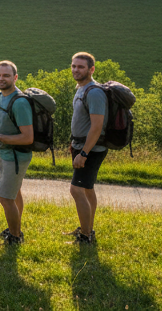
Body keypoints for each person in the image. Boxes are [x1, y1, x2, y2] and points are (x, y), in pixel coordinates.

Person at [0, 60, 34, 246]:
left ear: (15, 77)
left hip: (16, 157)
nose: (0, 78)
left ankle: (15, 237)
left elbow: (28, 137)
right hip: (5, 154)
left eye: (5, 75)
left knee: (5, 197)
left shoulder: (20, 102)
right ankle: (15, 229)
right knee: (14, 193)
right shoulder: (1, 95)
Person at [68, 51, 107, 245]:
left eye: (80, 66)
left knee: (77, 190)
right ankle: (87, 228)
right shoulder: (81, 88)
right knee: (87, 189)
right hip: (81, 146)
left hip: (91, 149)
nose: (76, 69)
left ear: (91, 69)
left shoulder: (95, 92)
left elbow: (97, 126)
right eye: (74, 66)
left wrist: (84, 153)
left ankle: (85, 236)